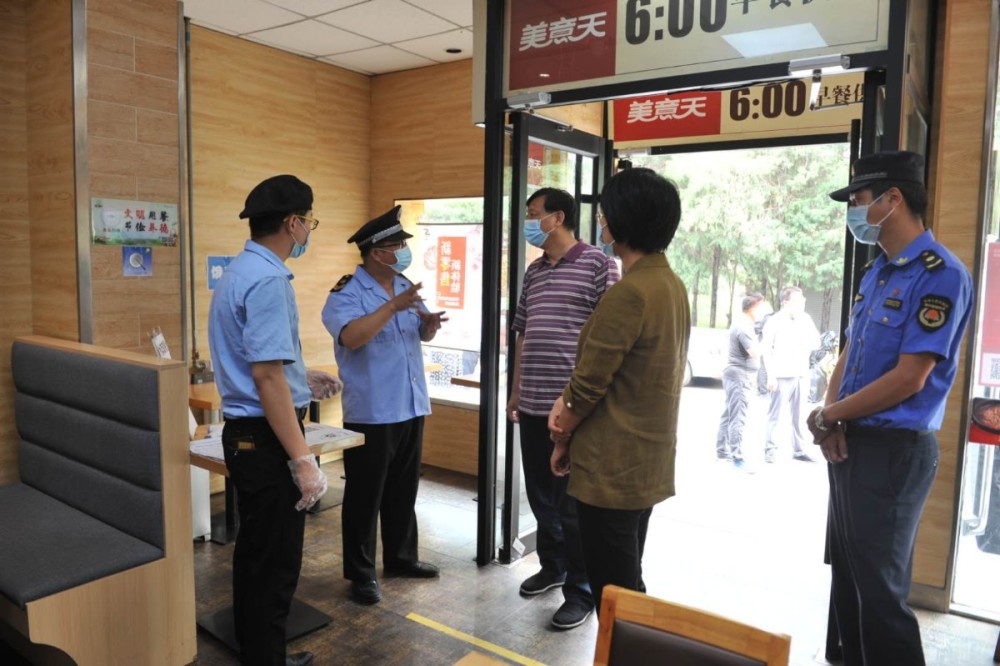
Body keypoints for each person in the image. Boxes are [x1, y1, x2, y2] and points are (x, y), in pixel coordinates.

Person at [810, 150, 973, 666]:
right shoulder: (877, 271)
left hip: (894, 452)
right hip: (852, 442)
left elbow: (910, 377)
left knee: (880, 593)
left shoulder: (940, 274)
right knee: (850, 578)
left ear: (892, 199)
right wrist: (830, 415)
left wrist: (835, 415)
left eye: (859, 200)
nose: (854, 211)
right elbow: (852, 352)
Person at [547, 167, 690, 611]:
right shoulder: (671, 284)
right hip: (646, 460)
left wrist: (561, 433)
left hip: (611, 465)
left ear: (622, 221)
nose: (602, 222)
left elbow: (589, 385)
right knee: (628, 572)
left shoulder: (630, 293)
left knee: (616, 591)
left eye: (606, 214)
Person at [208, 174, 328, 666]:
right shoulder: (270, 279)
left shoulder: (238, 271)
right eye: (309, 223)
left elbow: (267, 366)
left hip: (245, 434)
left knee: (255, 555)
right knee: (276, 562)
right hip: (266, 437)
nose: (308, 233)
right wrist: (302, 459)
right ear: (293, 223)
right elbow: (266, 378)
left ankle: (263, 652)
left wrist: (303, 376)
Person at [506, 187, 620, 630]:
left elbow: (608, 337)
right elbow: (521, 332)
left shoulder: (597, 264)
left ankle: (581, 589)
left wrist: (582, 401)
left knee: (574, 505)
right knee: (540, 494)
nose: (529, 222)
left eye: (533, 214)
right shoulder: (534, 271)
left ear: (557, 217)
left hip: (574, 407)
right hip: (532, 401)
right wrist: (515, 391)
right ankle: (552, 567)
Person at [322, 205, 447, 606]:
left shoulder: (404, 283)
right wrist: (392, 307)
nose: (403, 253)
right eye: (397, 246)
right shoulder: (347, 292)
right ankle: (360, 573)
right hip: (373, 412)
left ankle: (400, 558)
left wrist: (428, 327)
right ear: (376, 252)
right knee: (364, 496)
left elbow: (417, 333)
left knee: (402, 490)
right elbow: (353, 337)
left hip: (410, 404)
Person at [760, 286, 820, 463]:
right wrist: (770, 375)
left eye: (803, 301)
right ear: (785, 303)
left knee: (799, 415)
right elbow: (766, 350)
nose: (802, 304)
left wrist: (805, 339)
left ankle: (799, 450)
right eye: (798, 301)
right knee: (775, 414)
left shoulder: (805, 319)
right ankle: (770, 448)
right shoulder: (774, 321)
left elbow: (816, 342)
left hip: (801, 373)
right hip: (781, 374)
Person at [716, 292, 767, 471]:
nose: (763, 311)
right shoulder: (743, 327)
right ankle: (737, 457)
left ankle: (722, 450)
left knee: (729, 412)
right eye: (761, 307)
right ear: (752, 308)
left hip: (736, 375)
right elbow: (754, 352)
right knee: (738, 416)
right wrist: (766, 344)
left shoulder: (745, 324)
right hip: (740, 377)